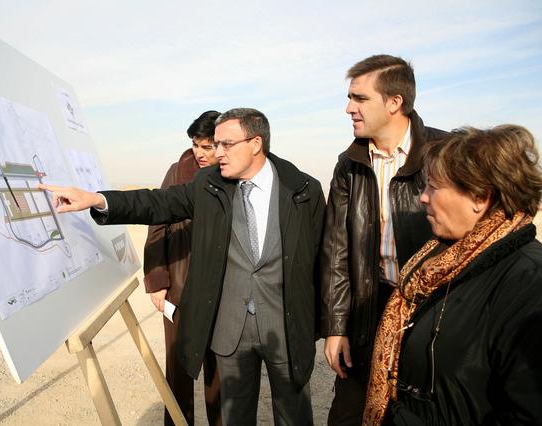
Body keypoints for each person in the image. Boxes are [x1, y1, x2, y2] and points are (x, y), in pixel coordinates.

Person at [40, 108, 325, 425]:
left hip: (285, 328)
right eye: (215, 144)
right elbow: (156, 203)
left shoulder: (304, 191)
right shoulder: (208, 185)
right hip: (230, 333)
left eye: (226, 144)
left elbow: (318, 261)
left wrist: (321, 325)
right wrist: (97, 200)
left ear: (256, 143)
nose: (217, 153)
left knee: (294, 417)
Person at [363, 125, 542, 425]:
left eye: (434, 186)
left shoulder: (529, 285)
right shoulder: (439, 260)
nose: (423, 198)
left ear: (480, 197)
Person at [319, 54, 447, 425]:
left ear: (394, 102)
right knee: (348, 415)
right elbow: (336, 252)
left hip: (431, 315)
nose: (349, 108)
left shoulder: (446, 152)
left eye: (359, 98)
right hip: (368, 312)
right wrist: (336, 328)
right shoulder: (349, 164)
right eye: (349, 98)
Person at [143, 110, 222, 426]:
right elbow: (156, 225)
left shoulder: (234, 176)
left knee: (219, 372)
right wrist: (157, 281)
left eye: (207, 147)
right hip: (178, 287)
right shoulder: (177, 172)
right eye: (195, 145)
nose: (200, 153)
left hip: (220, 291)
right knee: (177, 370)